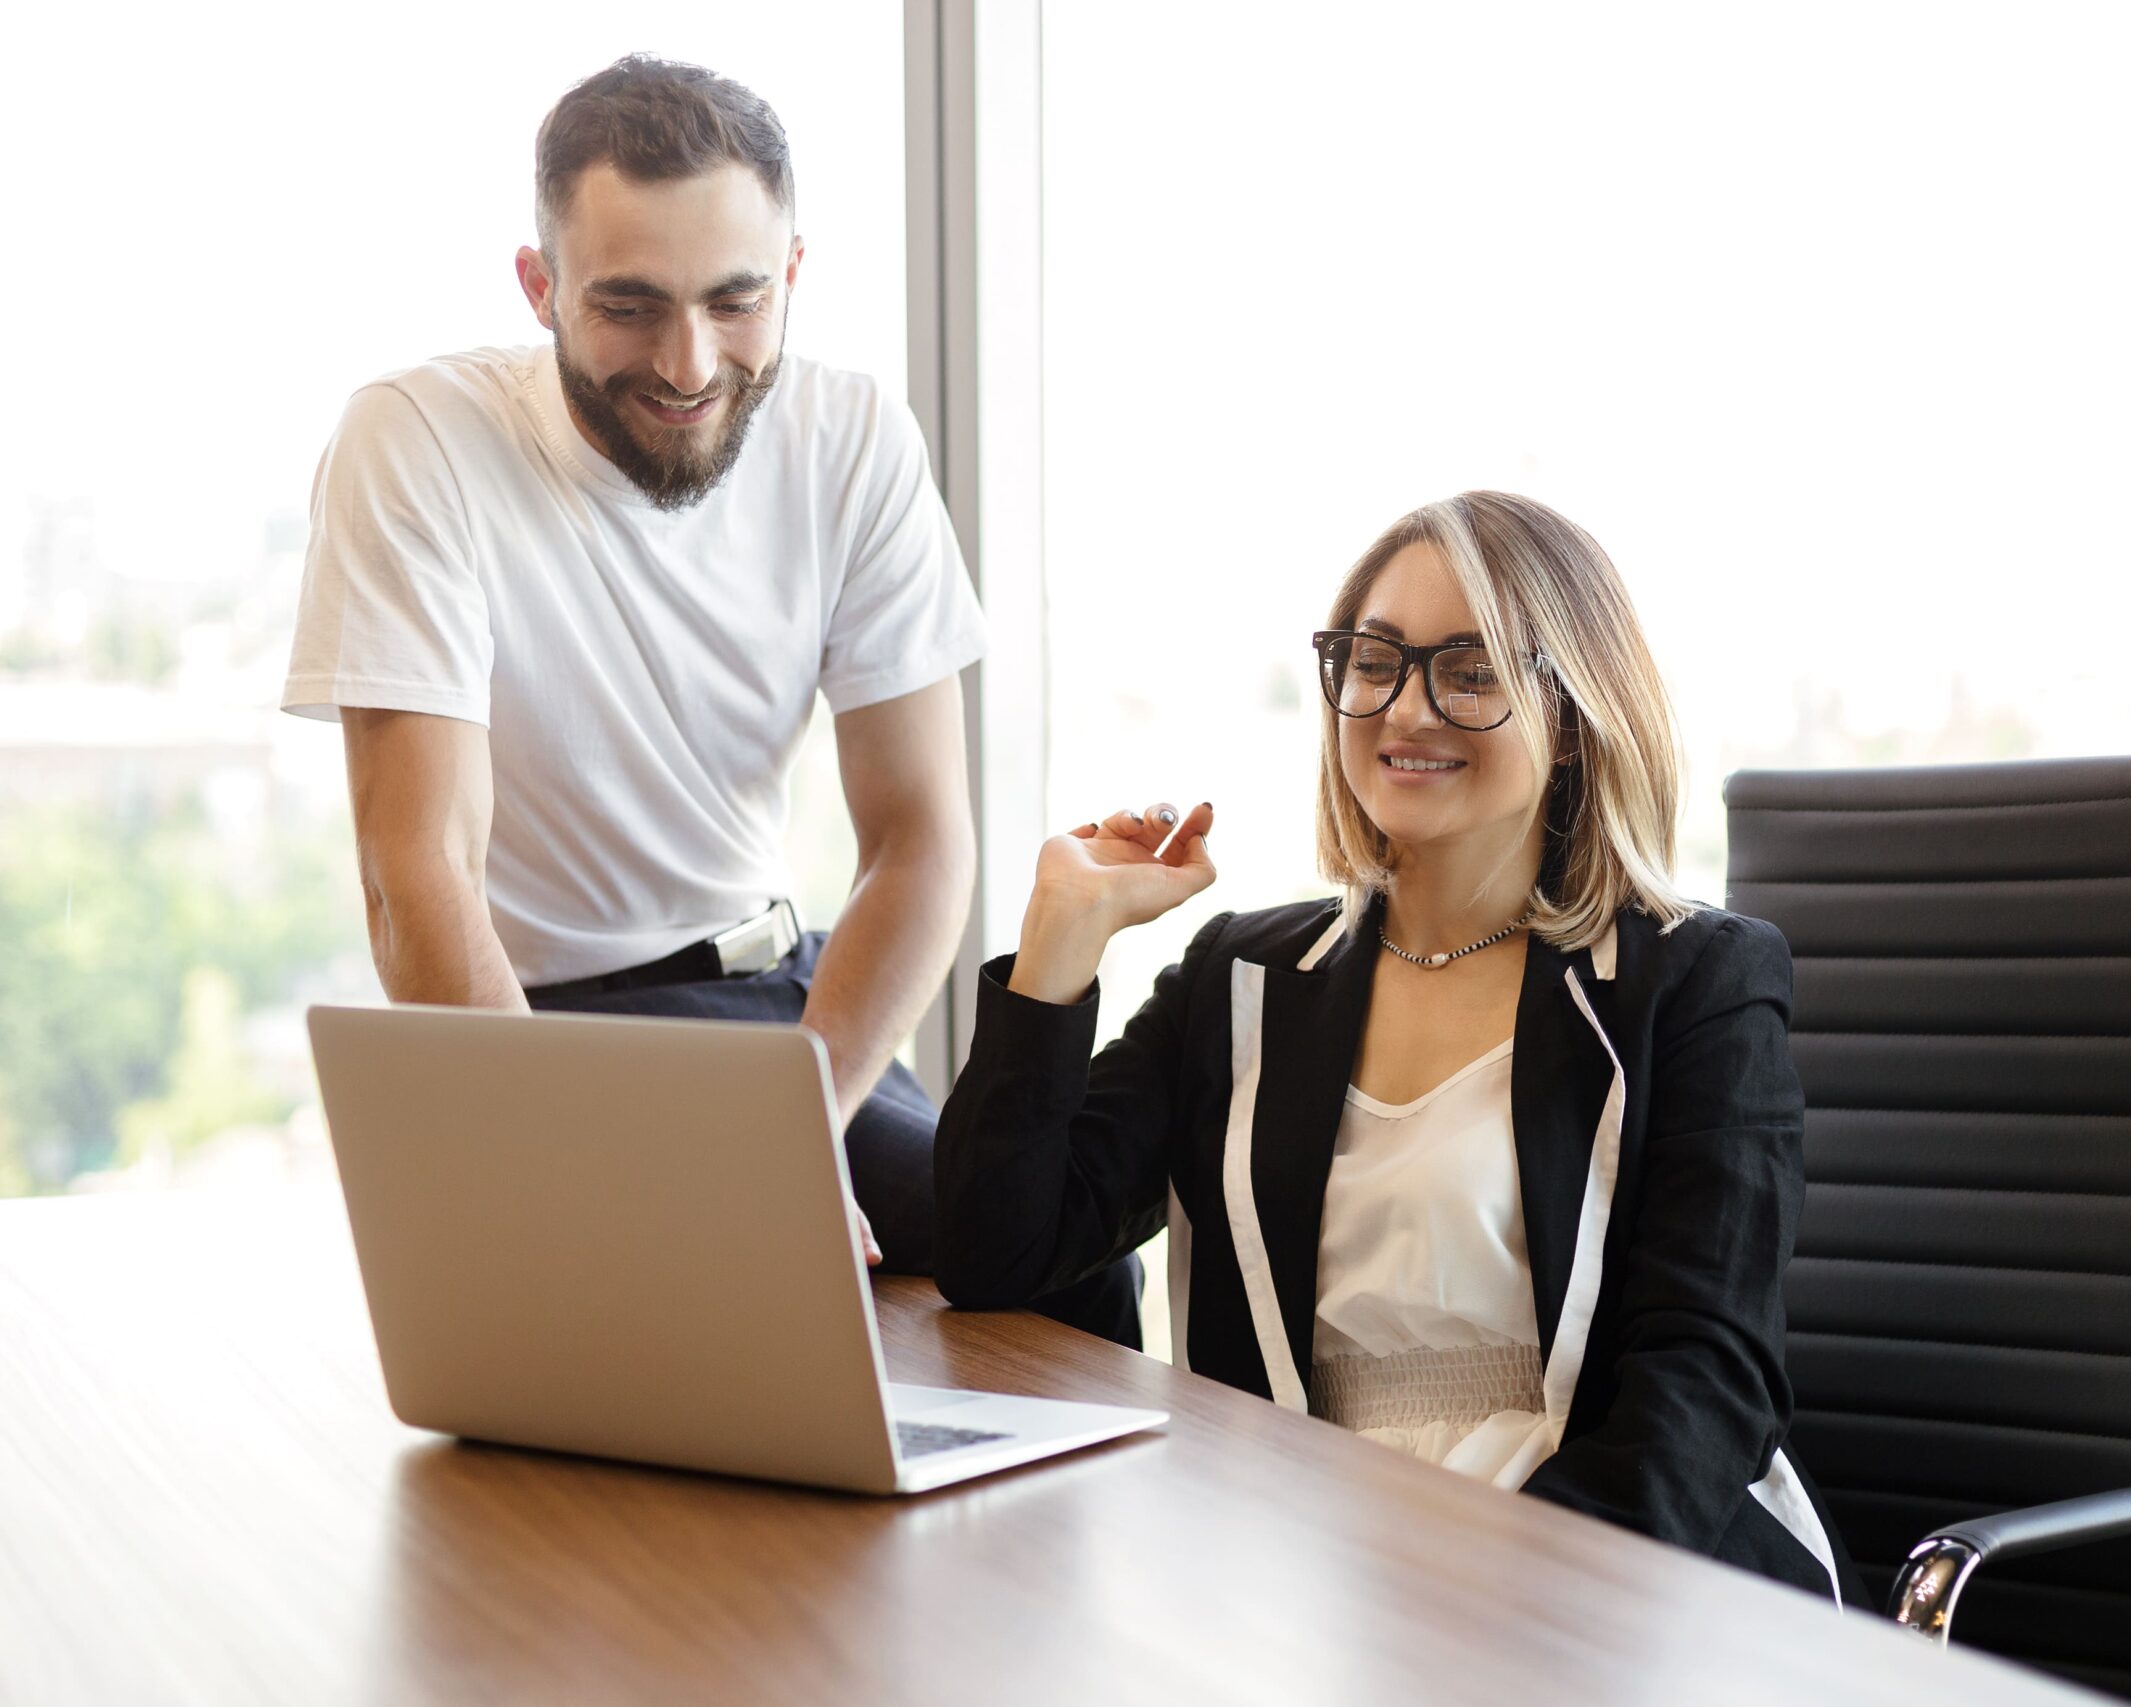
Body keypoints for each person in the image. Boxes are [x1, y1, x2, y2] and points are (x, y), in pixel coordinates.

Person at [281, 54, 1137, 1345]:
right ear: (541, 285)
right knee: (650, 1330)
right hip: (538, 1031)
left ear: (790, 274)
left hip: (780, 1014)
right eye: (629, 306)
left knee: (1055, 1251)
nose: (688, 363)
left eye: (735, 302)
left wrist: (801, 1127)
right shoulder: (418, 440)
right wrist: (572, 1170)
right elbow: (419, 872)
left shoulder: (854, 440)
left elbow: (920, 838)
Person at [935, 491, 1859, 1601]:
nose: (1405, 710)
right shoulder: (1244, 980)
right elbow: (999, 1255)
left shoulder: (1694, 983)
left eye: (1468, 673)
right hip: (1301, 1577)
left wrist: (1507, 1610)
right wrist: (1058, 947)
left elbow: (1708, 1386)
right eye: (1374, 661)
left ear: (1569, 716)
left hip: (1615, 1581)